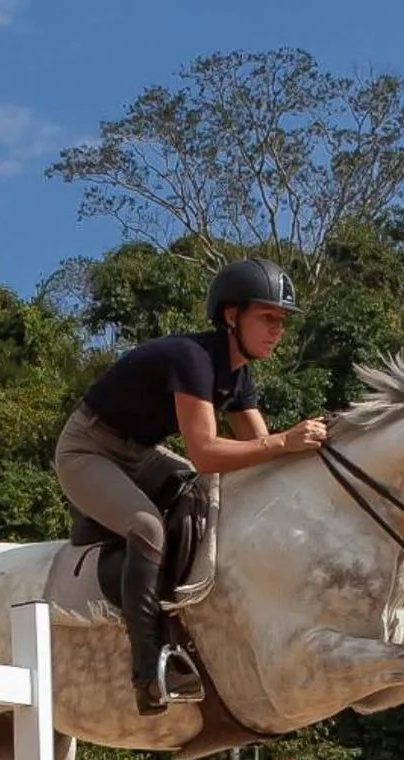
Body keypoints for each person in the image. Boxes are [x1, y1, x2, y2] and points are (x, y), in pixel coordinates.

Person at [54, 256, 329, 713]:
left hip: (138, 452)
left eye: (281, 321)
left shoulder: (238, 374)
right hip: (88, 450)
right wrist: (287, 440)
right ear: (230, 315)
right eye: (267, 317)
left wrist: (315, 450)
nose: (276, 329)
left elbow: (258, 451)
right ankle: (148, 671)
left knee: (207, 494)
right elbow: (206, 453)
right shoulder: (194, 359)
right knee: (148, 528)